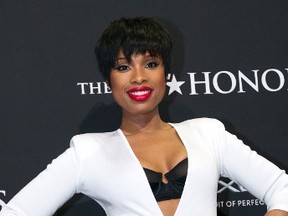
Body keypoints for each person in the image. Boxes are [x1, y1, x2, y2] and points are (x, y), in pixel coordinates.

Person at [1, 17, 288, 216]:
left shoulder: (209, 134)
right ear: (108, 80)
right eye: (124, 67)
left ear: (166, 73)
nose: (139, 78)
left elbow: (281, 188)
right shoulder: (87, 151)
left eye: (150, 63)